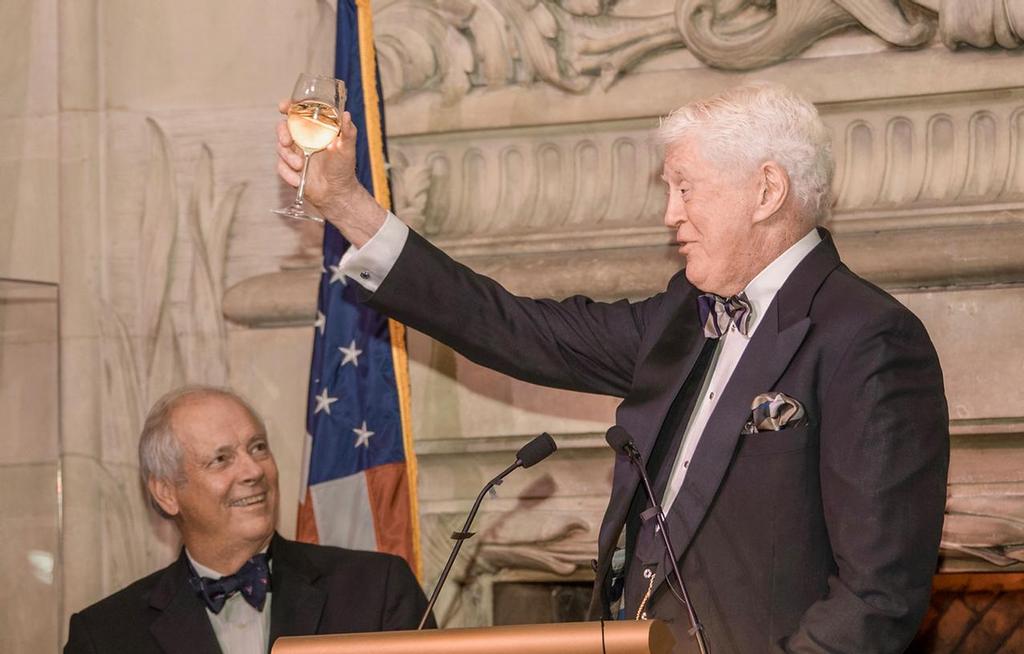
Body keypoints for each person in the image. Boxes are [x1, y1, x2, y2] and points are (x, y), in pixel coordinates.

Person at [276, 83, 949, 653]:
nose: (669, 215)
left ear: (766, 190)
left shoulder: (870, 338)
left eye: (685, 188)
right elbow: (514, 329)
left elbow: (877, 596)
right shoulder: (683, 314)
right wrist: (346, 206)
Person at [64, 386, 430, 654]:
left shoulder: (376, 590)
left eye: (257, 448)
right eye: (221, 459)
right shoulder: (105, 635)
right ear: (167, 493)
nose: (253, 470)